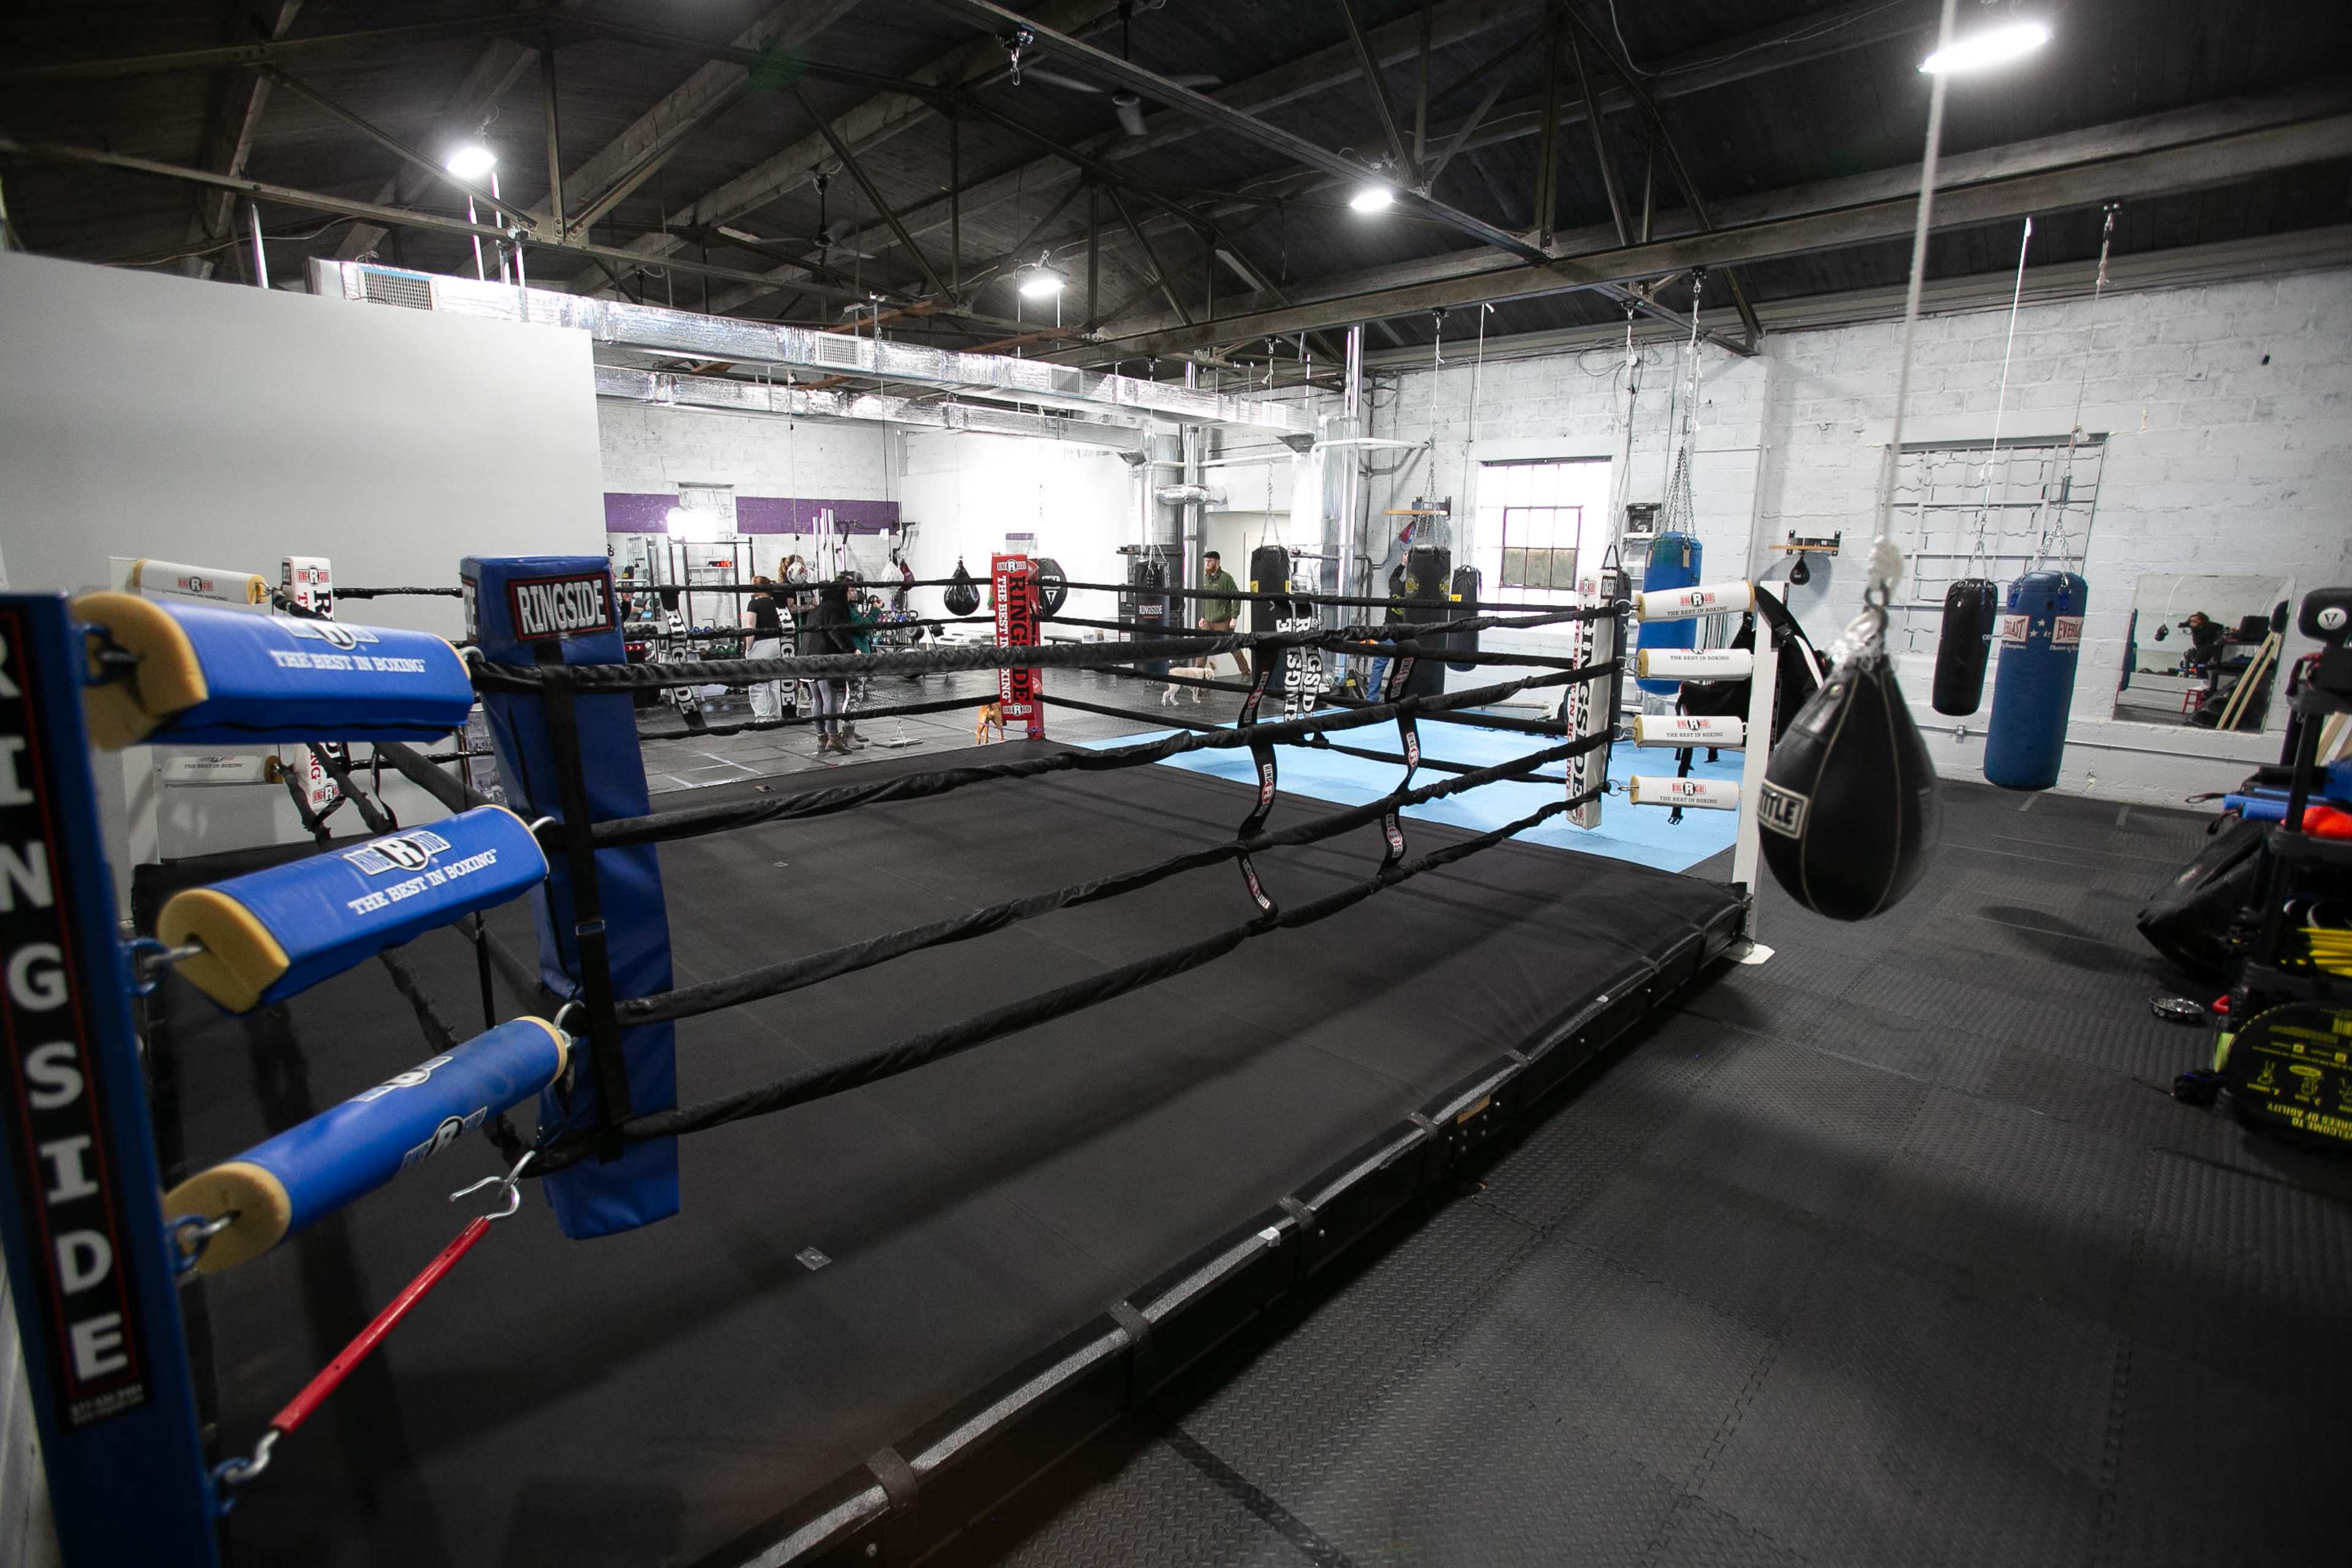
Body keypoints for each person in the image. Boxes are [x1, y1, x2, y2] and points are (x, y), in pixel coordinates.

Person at [799, 576, 859, 756]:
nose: (851, 595)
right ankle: (833, 738)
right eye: (849, 591)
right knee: (828, 698)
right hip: (824, 658)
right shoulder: (835, 609)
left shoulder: (816, 610)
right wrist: (852, 650)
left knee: (816, 699)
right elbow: (837, 632)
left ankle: (822, 739)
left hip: (807, 657)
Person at [1197, 550, 1251, 680]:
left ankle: (1246, 673)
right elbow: (1205, 599)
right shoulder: (1206, 578)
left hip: (1223, 621)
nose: (1207, 564)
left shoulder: (1226, 579)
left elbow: (1237, 597)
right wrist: (1203, 616)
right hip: (1208, 622)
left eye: (1210, 561)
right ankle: (1198, 675)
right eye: (1206, 561)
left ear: (1217, 561)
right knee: (1201, 647)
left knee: (1233, 647)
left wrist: (1234, 618)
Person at [743, 574, 786, 722]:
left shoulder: (754, 604)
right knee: (774, 682)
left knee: (757, 683)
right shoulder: (776, 603)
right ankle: (776, 715)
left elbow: (750, 626)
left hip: (761, 644)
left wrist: (748, 648)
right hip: (777, 643)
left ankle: (763, 716)